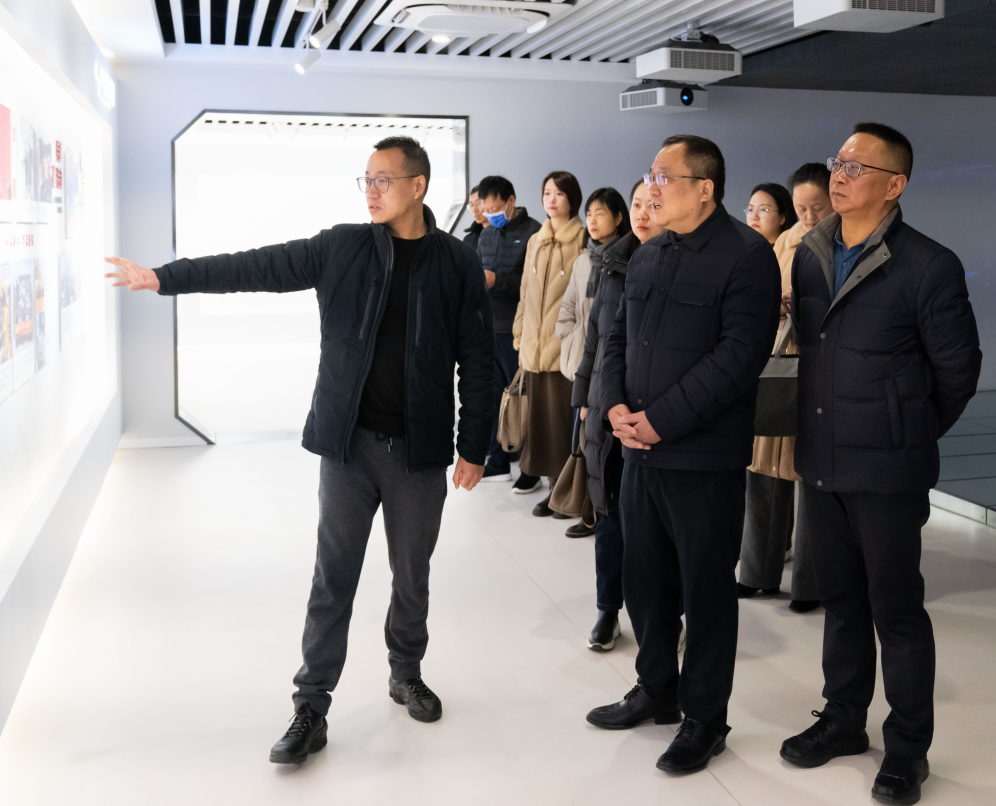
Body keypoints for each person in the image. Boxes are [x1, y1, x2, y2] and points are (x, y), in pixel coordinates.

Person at [104, 136, 495, 765]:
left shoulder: (456, 263)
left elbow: (478, 360)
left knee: (411, 575)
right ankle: (311, 705)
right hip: (348, 447)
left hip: (418, 453)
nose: (371, 191)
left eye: (383, 180)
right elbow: (256, 267)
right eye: (365, 179)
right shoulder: (342, 246)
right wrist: (165, 278)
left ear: (418, 185)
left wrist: (474, 445)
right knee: (332, 577)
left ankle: (405, 672)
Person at [780, 123, 981, 805]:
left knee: (895, 610)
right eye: (837, 163)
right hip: (822, 458)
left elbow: (958, 372)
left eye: (856, 167)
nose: (839, 176)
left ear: (895, 185)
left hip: (888, 470)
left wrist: (905, 431)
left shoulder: (928, 264)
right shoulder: (812, 254)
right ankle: (842, 720)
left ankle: (907, 749)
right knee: (840, 602)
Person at [586, 135, 780, 775]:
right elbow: (616, 338)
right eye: (651, 174)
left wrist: (660, 422)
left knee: (705, 592)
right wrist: (615, 405)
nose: (652, 187)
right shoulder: (650, 253)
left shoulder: (746, 256)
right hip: (640, 454)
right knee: (645, 583)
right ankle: (656, 690)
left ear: (705, 188)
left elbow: (738, 358)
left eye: (664, 176)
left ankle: (704, 718)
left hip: (702, 459)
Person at [571, 180, 664, 649]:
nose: (643, 213)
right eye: (637, 204)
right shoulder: (612, 262)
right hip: (608, 405)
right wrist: (584, 396)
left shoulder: (678, 264)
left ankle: (664, 616)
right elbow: (596, 336)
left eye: (653, 205)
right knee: (609, 515)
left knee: (653, 527)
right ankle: (608, 609)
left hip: (654, 416)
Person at [739, 165, 832, 613]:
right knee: (763, 470)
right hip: (777, 363)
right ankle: (756, 571)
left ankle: (809, 584)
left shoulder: (842, 243)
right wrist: (775, 304)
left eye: (818, 208)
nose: (809, 216)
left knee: (810, 478)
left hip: (818, 369)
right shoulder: (784, 242)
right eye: (801, 208)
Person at [556, 186, 630, 538]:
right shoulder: (584, 261)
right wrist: (573, 343)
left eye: (601, 212)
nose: (593, 220)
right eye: (589, 214)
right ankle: (585, 508)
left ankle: (596, 513)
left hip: (610, 367)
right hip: (585, 362)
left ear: (618, 217)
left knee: (600, 446)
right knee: (584, 443)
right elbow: (568, 310)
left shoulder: (628, 262)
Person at [513, 171, 586, 514]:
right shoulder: (535, 240)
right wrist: (520, 337)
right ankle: (545, 482)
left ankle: (563, 489)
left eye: (559, 193)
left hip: (563, 349)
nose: (551, 199)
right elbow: (525, 293)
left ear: (572, 198)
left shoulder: (582, 238)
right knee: (538, 421)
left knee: (561, 423)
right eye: (546, 193)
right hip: (533, 347)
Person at [476, 175, 542, 483]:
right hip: (487, 327)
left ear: (511, 201)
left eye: (495, 209)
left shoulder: (534, 233)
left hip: (517, 330)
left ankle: (531, 466)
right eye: (486, 210)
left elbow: (533, 285)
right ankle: (498, 459)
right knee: (492, 397)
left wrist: (496, 280)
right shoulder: (486, 235)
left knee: (523, 398)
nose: (490, 215)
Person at [462, 184, 488, 252]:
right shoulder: (469, 239)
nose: (474, 210)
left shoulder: (506, 235)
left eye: (479, 203)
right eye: (471, 205)